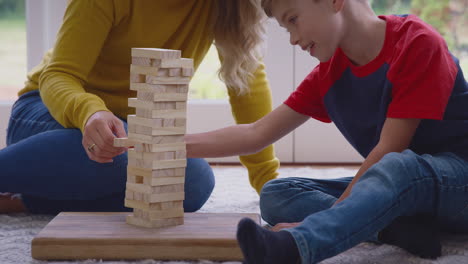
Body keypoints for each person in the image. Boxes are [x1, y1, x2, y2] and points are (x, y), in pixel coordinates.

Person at [184, 0, 468, 263]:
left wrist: (314, 223)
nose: (293, 39)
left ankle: (296, 246)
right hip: (404, 190)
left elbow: (389, 149)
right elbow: (257, 133)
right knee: (278, 193)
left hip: (456, 184)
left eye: (293, 19)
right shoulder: (329, 73)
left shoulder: (417, 43)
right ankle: (389, 227)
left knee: (396, 166)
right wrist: (168, 143)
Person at [0, 0, 280, 214]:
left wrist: (267, 181)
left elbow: (246, 84)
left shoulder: (223, 6)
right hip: (47, 113)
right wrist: (90, 113)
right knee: (128, 158)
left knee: (192, 181)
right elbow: (59, 75)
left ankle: (29, 200)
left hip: (126, 130)